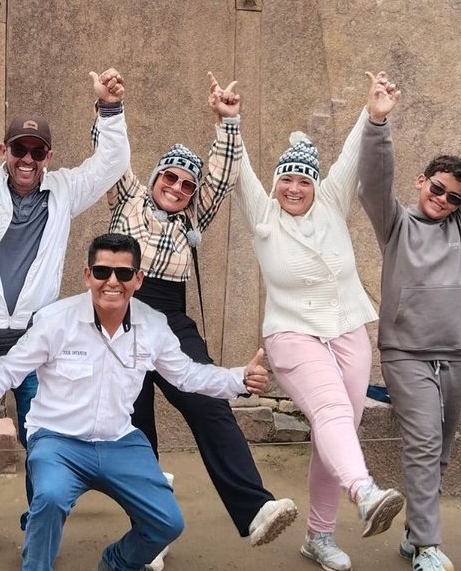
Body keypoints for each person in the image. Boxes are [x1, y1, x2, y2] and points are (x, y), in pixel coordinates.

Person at [0, 64, 132, 556]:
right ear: (4, 152)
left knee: (43, 441)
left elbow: (112, 162)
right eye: (19, 149)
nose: (28, 159)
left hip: (37, 343)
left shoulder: (64, 191)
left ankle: (39, 522)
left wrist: (110, 108)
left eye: (37, 151)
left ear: (49, 157)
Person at [0, 233, 272, 571]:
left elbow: (188, 376)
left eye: (124, 274)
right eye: (102, 272)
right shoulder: (55, 320)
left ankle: (116, 563)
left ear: (138, 279)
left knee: (168, 522)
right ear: (86, 275)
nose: (112, 282)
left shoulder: (153, 325)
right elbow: (10, 368)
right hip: (57, 440)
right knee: (48, 498)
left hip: (120, 441)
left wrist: (239, 378)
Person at [105, 73, 297, 558]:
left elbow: (223, 172)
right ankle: (149, 535)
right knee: (135, 427)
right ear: (155, 178)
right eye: (169, 177)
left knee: (209, 403)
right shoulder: (129, 199)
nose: (177, 187)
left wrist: (227, 120)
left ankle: (255, 507)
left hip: (170, 320)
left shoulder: (193, 217)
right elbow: (111, 156)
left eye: (187, 184)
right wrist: (110, 107)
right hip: (117, 318)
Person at [234, 72, 406, 571]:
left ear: (314, 185)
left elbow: (352, 154)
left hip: (349, 328)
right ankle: (366, 491)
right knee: (331, 411)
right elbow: (239, 169)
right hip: (290, 333)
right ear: (275, 184)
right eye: (285, 178)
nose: (293, 187)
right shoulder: (264, 217)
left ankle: (319, 537)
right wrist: (230, 121)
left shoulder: (331, 203)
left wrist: (373, 114)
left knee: (340, 430)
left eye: (302, 180)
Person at [356, 74, 461, 571]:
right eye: (438, 189)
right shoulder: (395, 223)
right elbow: (374, 179)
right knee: (424, 443)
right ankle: (427, 545)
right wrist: (378, 121)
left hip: (457, 352)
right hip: (405, 352)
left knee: (439, 451)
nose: (443, 200)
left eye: (453, 197)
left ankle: (413, 534)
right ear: (422, 182)